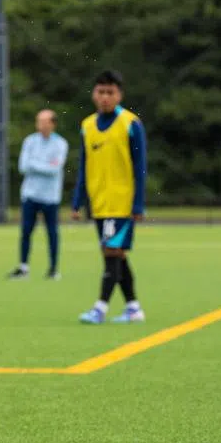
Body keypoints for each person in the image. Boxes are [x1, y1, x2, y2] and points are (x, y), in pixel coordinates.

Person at [72, 70, 147, 324]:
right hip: (99, 203)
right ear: (94, 94)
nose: (105, 97)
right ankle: (134, 308)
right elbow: (84, 166)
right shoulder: (87, 126)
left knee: (111, 252)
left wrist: (138, 203)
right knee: (117, 255)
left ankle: (100, 307)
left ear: (119, 95)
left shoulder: (130, 124)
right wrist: (77, 201)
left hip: (121, 203)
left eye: (110, 92)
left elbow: (140, 167)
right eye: (100, 92)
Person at [9, 110, 69, 280]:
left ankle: (53, 268)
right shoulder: (30, 141)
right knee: (26, 231)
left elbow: (54, 169)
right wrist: (43, 165)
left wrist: (34, 164)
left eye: (45, 121)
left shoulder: (60, 144)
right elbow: (23, 166)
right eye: (39, 121)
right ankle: (23, 267)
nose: (41, 125)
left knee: (52, 233)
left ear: (53, 124)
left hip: (50, 196)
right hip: (30, 194)